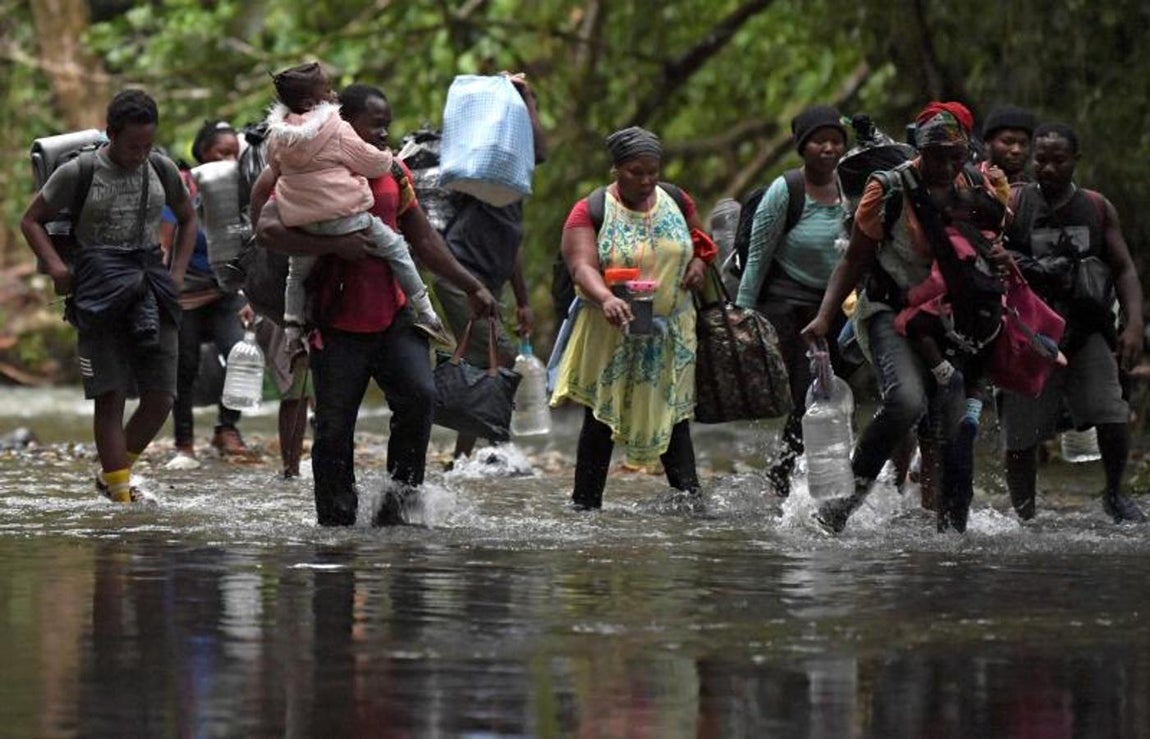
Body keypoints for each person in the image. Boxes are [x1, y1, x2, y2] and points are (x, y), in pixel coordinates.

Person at [255, 82, 498, 526]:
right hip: (336, 319)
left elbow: (423, 238)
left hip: (394, 312)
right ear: (343, 123)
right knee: (334, 425)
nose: (385, 134)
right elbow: (267, 226)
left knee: (420, 396)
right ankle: (336, 518)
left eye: (388, 125)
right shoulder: (307, 168)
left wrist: (471, 285)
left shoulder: (393, 172)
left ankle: (400, 500)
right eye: (376, 125)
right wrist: (333, 245)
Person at [801, 102, 1013, 534]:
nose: (947, 165)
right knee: (906, 401)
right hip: (889, 311)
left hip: (952, 321)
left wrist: (1002, 259)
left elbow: (988, 249)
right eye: (938, 156)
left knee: (954, 428)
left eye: (956, 155)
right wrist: (824, 318)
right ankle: (840, 507)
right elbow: (854, 261)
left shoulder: (978, 187)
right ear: (920, 150)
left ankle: (953, 534)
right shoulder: (889, 189)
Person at [20, 89, 195, 503]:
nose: (140, 153)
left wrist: (179, 273)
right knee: (110, 395)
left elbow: (188, 218)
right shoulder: (79, 172)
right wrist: (58, 268)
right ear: (111, 134)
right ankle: (120, 496)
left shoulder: (161, 168)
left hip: (152, 280)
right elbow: (31, 221)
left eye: (148, 144)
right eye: (133, 145)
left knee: (161, 396)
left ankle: (111, 474)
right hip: (97, 286)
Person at [550, 126, 710, 510]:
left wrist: (700, 264)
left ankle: (691, 506)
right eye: (636, 172)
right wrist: (606, 297)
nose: (647, 180)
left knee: (673, 417)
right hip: (610, 331)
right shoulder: (590, 209)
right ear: (616, 170)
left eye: (653, 171)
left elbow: (700, 241)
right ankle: (585, 508)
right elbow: (581, 266)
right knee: (601, 420)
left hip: (670, 332)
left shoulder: (675, 199)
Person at [1001, 123, 1146, 523]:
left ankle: (1115, 493)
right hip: (1030, 334)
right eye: (1040, 160)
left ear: (1075, 162)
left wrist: (1133, 324)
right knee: (1021, 431)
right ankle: (1024, 515)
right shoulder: (1014, 204)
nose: (1047, 168)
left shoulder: (1097, 207)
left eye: (1058, 160)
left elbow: (1124, 270)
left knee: (1111, 412)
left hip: (1088, 329)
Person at [263, 62, 451, 353]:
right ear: (310, 101)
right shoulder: (336, 127)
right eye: (327, 89)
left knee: (296, 275)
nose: (333, 93)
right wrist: (387, 159)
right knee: (397, 249)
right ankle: (426, 312)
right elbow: (371, 162)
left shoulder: (278, 136)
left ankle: (292, 331)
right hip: (346, 220)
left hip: (302, 221)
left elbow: (273, 167)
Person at [735, 105, 849, 498]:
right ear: (802, 147)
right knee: (806, 392)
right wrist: (743, 315)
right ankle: (785, 476)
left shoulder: (852, 188)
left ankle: (790, 473)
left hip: (833, 307)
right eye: (820, 141)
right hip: (785, 303)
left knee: (825, 393)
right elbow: (758, 255)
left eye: (836, 141)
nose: (829, 148)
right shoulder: (786, 190)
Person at [433, 72, 546, 462]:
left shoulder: (514, 187)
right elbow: (539, 148)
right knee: (503, 354)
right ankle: (500, 449)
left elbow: (511, 245)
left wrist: (523, 301)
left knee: (484, 363)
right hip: (460, 277)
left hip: (491, 282)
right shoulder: (483, 172)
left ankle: (463, 460)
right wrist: (522, 98)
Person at [161, 120, 252, 461]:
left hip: (224, 293)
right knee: (184, 369)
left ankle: (226, 428)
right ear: (203, 153)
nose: (229, 160)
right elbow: (164, 247)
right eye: (221, 153)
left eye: (234, 154)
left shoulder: (243, 189)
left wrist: (251, 295)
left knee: (240, 356)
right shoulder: (184, 189)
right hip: (185, 297)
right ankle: (183, 442)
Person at [980, 105, 1037, 185]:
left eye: (1023, 143)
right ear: (988, 143)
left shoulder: (1033, 190)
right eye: (1008, 142)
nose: (1017, 150)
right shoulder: (967, 180)